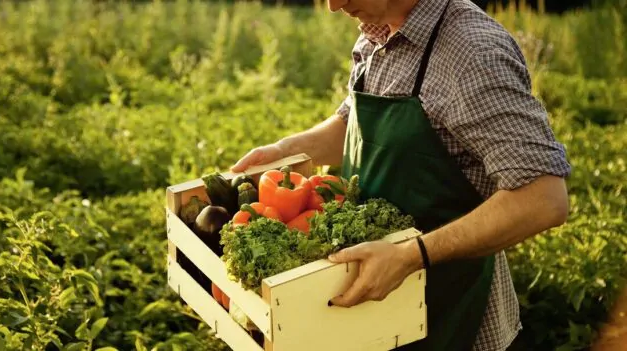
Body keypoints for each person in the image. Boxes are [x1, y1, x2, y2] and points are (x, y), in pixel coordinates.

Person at [230, 0, 571, 349]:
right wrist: (286, 150)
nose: (333, 6)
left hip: (451, 315)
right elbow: (353, 125)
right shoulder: (375, 33)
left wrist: (411, 256)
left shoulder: (472, 53)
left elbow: (543, 198)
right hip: (373, 314)